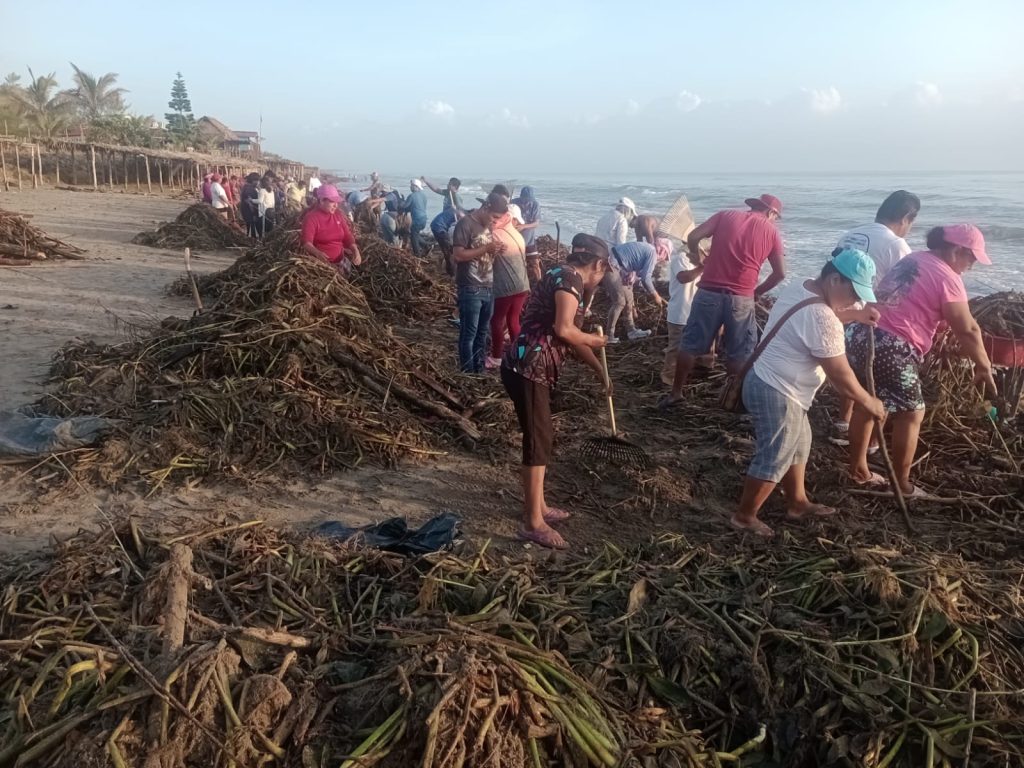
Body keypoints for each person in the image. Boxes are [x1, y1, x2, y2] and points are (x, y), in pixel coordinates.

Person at [735, 250, 885, 537]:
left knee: (801, 443)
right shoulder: (822, 317)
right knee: (776, 453)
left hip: (770, 380)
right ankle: (744, 516)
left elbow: (818, 316)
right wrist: (869, 403)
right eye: (854, 292)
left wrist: (854, 314)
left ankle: (798, 503)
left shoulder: (803, 286)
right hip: (777, 389)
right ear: (834, 279)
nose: (856, 300)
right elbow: (841, 376)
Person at [846, 225, 996, 496]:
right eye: (971, 259)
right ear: (956, 250)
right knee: (912, 412)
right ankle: (901, 485)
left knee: (869, 403)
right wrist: (983, 366)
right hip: (890, 347)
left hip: (861, 334)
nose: (971, 266)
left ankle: (859, 470)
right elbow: (969, 329)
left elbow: (911, 302)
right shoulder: (948, 277)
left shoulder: (914, 258)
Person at [501, 233, 612, 549]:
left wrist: (599, 369)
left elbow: (567, 337)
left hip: (525, 366)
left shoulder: (558, 273)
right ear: (599, 264)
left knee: (541, 437)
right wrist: (594, 339)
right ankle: (533, 523)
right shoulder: (570, 281)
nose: (601, 281)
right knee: (538, 441)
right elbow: (567, 330)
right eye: (604, 274)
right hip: (529, 369)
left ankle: (541, 507)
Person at [663, 194, 787, 404]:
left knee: (690, 344)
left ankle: (676, 393)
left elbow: (693, 237)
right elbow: (780, 273)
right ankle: (731, 399)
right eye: (776, 216)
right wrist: (758, 291)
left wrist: (696, 256)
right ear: (771, 212)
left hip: (708, 292)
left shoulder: (725, 215)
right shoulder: (771, 232)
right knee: (739, 352)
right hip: (741, 297)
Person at [832, 190, 922, 435]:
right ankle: (870, 438)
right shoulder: (896, 244)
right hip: (869, 316)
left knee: (845, 366)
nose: (909, 229)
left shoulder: (851, 234)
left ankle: (843, 420)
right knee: (870, 379)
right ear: (905, 218)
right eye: (911, 223)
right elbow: (907, 288)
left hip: (837, 309)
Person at [453, 193, 507, 373]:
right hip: (470, 287)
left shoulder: (487, 227)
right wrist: (486, 248)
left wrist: (496, 250)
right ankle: (468, 372)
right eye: (494, 217)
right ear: (485, 208)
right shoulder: (465, 224)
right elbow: (458, 256)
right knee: (469, 334)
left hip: (488, 286)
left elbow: (484, 254)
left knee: (482, 333)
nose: (494, 222)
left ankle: (479, 368)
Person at [487, 204, 530, 369]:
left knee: (496, 321)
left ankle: (496, 357)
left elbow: (486, 259)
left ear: (507, 218)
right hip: (522, 284)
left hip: (506, 286)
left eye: (497, 217)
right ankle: (519, 355)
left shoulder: (496, 235)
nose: (494, 220)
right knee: (513, 321)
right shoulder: (518, 235)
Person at [602, 240, 663, 342]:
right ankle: (609, 336)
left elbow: (633, 266)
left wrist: (633, 306)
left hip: (621, 267)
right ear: (663, 251)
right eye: (665, 257)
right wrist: (655, 295)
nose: (662, 261)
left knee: (629, 300)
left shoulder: (647, 248)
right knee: (619, 302)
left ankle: (631, 331)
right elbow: (645, 279)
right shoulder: (653, 253)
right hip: (610, 265)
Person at [662, 239, 701, 385]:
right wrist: (703, 267)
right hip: (679, 312)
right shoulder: (680, 258)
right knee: (675, 348)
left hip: (694, 311)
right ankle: (668, 376)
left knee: (692, 346)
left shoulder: (697, 264)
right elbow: (684, 277)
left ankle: (688, 372)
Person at [300, 184, 362, 273]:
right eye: (333, 202)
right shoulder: (311, 218)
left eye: (337, 202)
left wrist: (356, 251)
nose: (336, 205)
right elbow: (306, 243)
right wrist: (318, 253)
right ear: (321, 201)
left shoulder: (338, 215)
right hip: (322, 266)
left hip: (341, 262)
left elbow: (347, 236)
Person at [513, 186, 542, 281]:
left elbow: (536, 223)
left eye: (528, 200)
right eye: (524, 199)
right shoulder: (513, 203)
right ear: (521, 197)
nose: (526, 202)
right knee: (516, 264)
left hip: (529, 240)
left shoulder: (535, 205)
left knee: (535, 264)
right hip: (515, 240)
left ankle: (540, 284)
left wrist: (524, 226)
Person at [400, 179, 429, 257]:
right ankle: (426, 246)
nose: (410, 187)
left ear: (416, 186)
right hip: (424, 218)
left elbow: (405, 206)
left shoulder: (412, 196)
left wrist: (401, 202)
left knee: (413, 237)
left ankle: (417, 254)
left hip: (417, 219)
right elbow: (418, 206)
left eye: (411, 186)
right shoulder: (423, 195)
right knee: (415, 234)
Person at [431, 206, 458, 275]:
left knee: (446, 250)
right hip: (440, 228)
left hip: (435, 226)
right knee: (449, 252)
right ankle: (451, 273)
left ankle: (448, 270)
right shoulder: (460, 214)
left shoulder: (455, 209)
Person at [240, 173, 262, 239]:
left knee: (249, 226)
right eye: (257, 181)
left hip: (246, 211)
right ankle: (253, 241)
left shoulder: (246, 187)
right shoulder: (250, 189)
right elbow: (250, 203)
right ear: (253, 181)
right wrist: (254, 213)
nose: (258, 182)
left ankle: (251, 240)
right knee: (253, 228)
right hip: (250, 212)